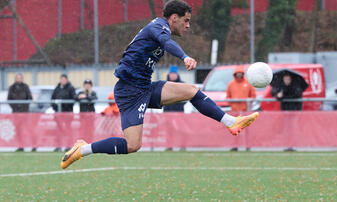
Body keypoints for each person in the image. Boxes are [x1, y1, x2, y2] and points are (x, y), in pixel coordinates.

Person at [61, 0, 259, 169]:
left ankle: (231, 122)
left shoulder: (160, 28)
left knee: (192, 91)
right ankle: (83, 149)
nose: (188, 25)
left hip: (145, 87)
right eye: (186, 20)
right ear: (174, 18)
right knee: (132, 145)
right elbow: (166, 43)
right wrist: (185, 56)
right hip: (129, 92)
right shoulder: (158, 27)